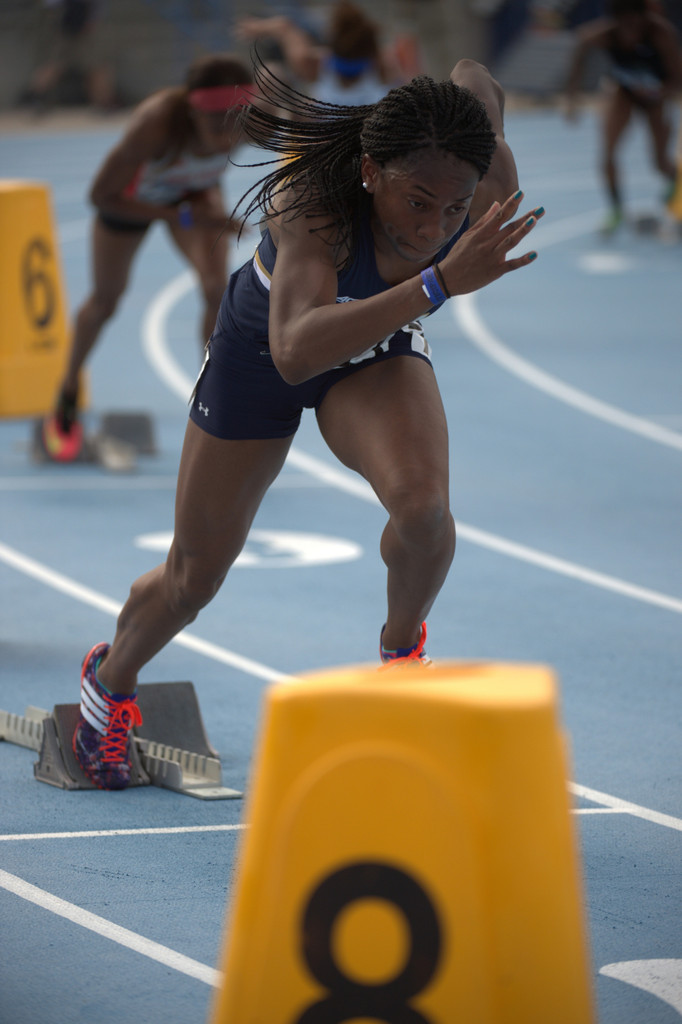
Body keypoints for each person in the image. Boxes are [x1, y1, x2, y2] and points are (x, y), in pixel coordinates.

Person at [70, 55, 544, 790]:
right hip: (264, 352)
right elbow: (294, 353)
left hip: (375, 348)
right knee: (195, 578)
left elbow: (477, 77)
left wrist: (464, 100)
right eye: (418, 203)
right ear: (369, 172)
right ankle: (111, 681)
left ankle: (400, 661)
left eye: (455, 212)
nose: (436, 225)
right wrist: (439, 281)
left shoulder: (486, 179)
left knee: (425, 513)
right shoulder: (309, 200)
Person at [40, 53, 255, 462]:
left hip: (194, 195)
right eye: (216, 124)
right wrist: (181, 215)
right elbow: (99, 196)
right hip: (132, 202)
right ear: (193, 111)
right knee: (106, 302)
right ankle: (67, 390)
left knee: (216, 290)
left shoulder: (256, 116)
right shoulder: (155, 124)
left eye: (236, 120)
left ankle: (212, 400)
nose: (228, 135)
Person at [564, 0, 681, 233]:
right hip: (624, 92)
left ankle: (676, 186)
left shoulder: (661, 34)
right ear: (616, 21)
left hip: (656, 95)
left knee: (660, 162)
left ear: (644, 19)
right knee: (608, 154)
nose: (631, 29)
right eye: (625, 23)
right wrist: (572, 96)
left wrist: (658, 91)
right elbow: (581, 44)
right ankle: (616, 210)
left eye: (636, 22)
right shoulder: (604, 34)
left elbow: (677, 79)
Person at [235, 0, 403, 106]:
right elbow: (285, 29)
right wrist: (258, 27)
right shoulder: (316, 64)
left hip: (371, 149)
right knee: (269, 75)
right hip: (328, 151)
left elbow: (285, 28)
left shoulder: (382, 65)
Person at [25, 0, 116, 112]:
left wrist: (91, 20)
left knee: (96, 67)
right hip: (65, 26)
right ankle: (36, 98)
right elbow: (50, 7)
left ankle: (103, 102)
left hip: (84, 25)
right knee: (55, 65)